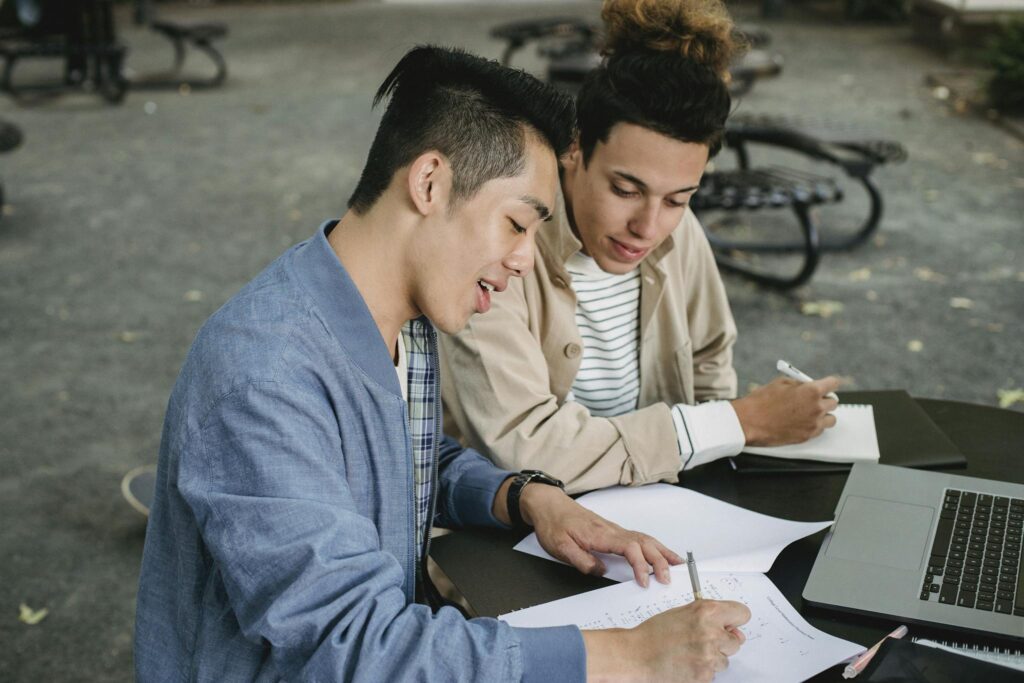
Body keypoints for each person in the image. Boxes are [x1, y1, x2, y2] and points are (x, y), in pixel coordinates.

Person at [134, 45, 750, 682]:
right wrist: (629, 655)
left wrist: (527, 499)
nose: (524, 258)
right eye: (516, 224)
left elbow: (401, 458)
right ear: (429, 183)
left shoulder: (395, 315)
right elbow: (353, 648)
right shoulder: (264, 375)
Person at [439, 0, 841, 494]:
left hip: (655, 502)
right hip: (520, 526)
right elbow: (526, 446)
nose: (647, 227)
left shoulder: (679, 229)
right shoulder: (500, 245)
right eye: (626, 190)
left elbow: (710, 357)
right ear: (574, 148)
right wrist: (735, 424)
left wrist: (710, 463)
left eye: (677, 198)